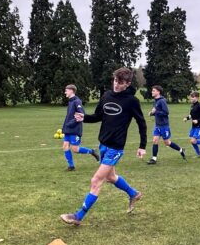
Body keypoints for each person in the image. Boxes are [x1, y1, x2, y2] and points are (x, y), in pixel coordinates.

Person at [60, 67, 148, 225]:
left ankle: (78, 216)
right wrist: (83, 118)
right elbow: (98, 116)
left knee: (96, 180)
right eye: (115, 81)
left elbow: (141, 123)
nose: (116, 85)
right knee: (111, 177)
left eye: (120, 83)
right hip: (103, 144)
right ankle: (133, 193)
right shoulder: (106, 95)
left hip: (116, 148)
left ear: (127, 84)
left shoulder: (131, 101)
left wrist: (142, 146)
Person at [60, 84, 100, 170]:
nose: (65, 92)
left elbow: (81, 115)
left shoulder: (77, 101)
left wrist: (71, 123)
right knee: (65, 146)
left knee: (75, 149)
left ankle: (92, 151)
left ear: (71, 91)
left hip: (74, 129)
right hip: (68, 129)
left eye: (66, 90)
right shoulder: (70, 101)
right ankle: (71, 166)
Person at [147, 85, 186, 164]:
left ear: (158, 92)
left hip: (164, 126)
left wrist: (155, 112)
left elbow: (166, 113)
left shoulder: (162, 101)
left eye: (154, 90)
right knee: (155, 140)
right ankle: (154, 159)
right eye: (152, 90)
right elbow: (156, 112)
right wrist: (152, 113)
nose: (152, 92)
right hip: (157, 125)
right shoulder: (155, 101)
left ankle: (181, 150)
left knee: (167, 143)